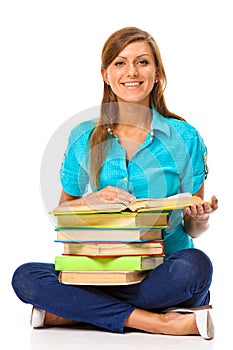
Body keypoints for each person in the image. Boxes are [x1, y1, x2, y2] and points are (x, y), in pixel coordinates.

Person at [12, 26, 218, 339]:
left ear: (157, 73)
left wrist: (199, 218)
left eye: (143, 62)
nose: (131, 72)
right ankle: (157, 322)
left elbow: (193, 230)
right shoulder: (83, 137)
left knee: (196, 267)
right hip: (100, 271)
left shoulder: (185, 137)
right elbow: (63, 212)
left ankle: (72, 312)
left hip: (164, 272)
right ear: (105, 74)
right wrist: (88, 201)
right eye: (120, 63)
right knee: (25, 277)